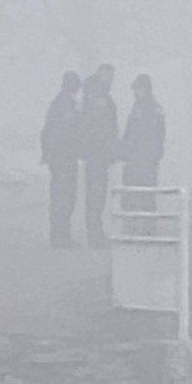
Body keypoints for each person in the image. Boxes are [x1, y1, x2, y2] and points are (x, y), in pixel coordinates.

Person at [78, 61, 121, 246]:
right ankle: (94, 235)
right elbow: (93, 126)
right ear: (102, 74)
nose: (111, 81)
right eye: (109, 76)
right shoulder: (95, 96)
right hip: (96, 152)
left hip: (101, 153)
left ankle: (96, 232)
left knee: (99, 193)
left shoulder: (101, 96)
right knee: (95, 193)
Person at [41, 71, 84, 246]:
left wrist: (46, 154)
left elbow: (46, 132)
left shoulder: (57, 104)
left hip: (57, 158)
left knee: (59, 196)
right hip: (65, 158)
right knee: (65, 197)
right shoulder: (66, 106)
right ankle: (62, 236)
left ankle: (58, 235)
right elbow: (68, 133)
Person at [117, 72, 168, 189]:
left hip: (146, 160)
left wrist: (153, 154)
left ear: (146, 89)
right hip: (134, 159)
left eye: (138, 89)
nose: (135, 92)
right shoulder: (137, 108)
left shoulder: (153, 110)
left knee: (145, 192)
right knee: (131, 192)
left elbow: (158, 135)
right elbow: (129, 132)